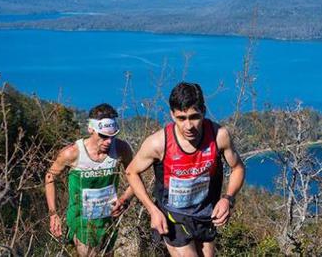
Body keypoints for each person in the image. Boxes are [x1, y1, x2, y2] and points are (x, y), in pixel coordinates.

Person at [126, 82, 245, 256]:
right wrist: (153, 210)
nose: (188, 126)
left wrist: (228, 199)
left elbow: (238, 168)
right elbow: (131, 171)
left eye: (194, 117)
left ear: (203, 112)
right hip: (173, 216)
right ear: (172, 115)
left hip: (205, 213)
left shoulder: (219, 136)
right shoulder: (159, 143)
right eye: (181, 118)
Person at [45, 103, 134, 256]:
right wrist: (53, 214)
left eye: (113, 136)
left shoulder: (121, 149)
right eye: (103, 136)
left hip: (108, 218)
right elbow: (49, 176)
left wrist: (124, 199)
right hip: (81, 221)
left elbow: (135, 176)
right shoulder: (72, 153)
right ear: (91, 129)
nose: (108, 141)